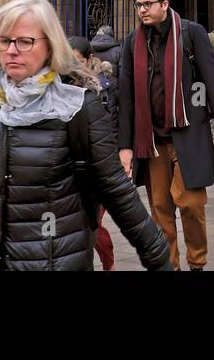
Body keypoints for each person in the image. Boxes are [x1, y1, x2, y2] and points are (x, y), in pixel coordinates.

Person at [0, 0, 171, 272]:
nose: (12, 51)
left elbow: (117, 192)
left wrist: (159, 260)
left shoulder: (78, 108)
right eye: (4, 41)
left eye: (24, 41)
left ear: (50, 47)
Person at [118, 0, 214, 271]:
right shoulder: (133, 42)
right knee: (160, 210)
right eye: (138, 5)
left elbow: (212, 80)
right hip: (153, 141)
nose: (142, 10)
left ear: (164, 4)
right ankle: (169, 266)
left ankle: (196, 263)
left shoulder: (191, 33)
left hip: (190, 134)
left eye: (147, 4)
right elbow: (126, 97)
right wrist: (125, 146)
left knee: (191, 204)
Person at [70, 34, 118, 271]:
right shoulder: (59, 87)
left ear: (89, 60)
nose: (72, 67)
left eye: (77, 61)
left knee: (93, 223)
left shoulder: (105, 87)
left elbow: (114, 124)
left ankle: (108, 264)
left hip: (98, 167)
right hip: (70, 168)